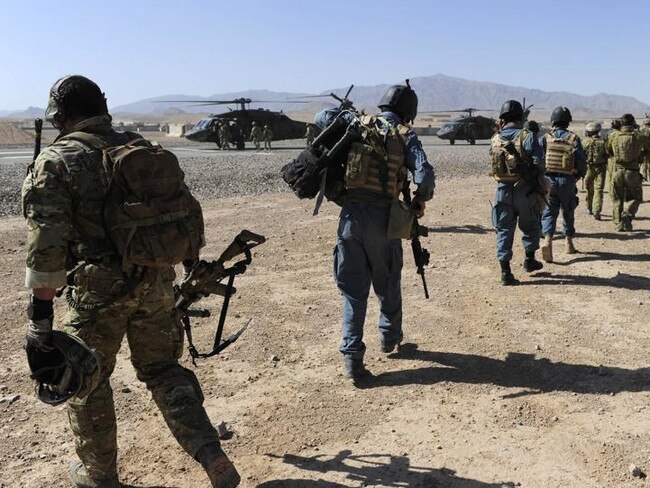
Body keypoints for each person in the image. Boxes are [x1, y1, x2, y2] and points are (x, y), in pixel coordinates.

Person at [21, 75, 240, 488]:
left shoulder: (57, 160)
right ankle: (211, 454)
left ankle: (98, 477)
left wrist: (42, 320)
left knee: (87, 380)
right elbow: (185, 215)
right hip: (155, 282)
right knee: (163, 370)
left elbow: (45, 250)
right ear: (102, 107)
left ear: (59, 116)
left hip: (95, 291)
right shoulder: (141, 149)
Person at [314, 81, 435, 381]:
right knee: (388, 281)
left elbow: (321, 118)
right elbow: (425, 174)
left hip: (350, 219)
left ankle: (352, 359)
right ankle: (389, 338)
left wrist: (345, 113)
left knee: (353, 292)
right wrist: (419, 200)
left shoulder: (357, 124)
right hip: (385, 221)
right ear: (409, 112)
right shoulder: (406, 136)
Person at [489, 100, 545, 286]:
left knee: (504, 229)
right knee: (531, 225)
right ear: (521, 117)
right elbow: (539, 164)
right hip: (525, 191)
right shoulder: (527, 136)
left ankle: (505, 272)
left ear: (502, 118)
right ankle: (529, 260)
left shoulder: (495, 138)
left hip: (503, 191)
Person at [539, 107, 586, 262]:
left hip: (549, 180)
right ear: (568, 122)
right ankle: (569, 243)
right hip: (567, 180)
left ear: (553, 121)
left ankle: (547, 241)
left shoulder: (545, 138)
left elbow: (538, 160)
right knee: (568, 211)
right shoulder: (574, 138)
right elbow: (581, 163)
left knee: (549, 212)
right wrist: (575, 177)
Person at [606, 113, 650, 231]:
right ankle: (627, 214)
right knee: (635, 198)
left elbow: (609, 151)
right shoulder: (640, 136)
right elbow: (648, 148)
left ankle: (617, 224)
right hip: (633, 172)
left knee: (617, 199)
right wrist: (641, 155)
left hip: (618, 171)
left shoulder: (613, 136)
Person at [582, 122, 608, 220]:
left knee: (589, 189)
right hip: (601, 168)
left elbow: (580, 155)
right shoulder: (604, 142)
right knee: (599, 190)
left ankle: (589, 208)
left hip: (588, 168)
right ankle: (597, 210)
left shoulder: (585, 142)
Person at [641, 117, 650, 183]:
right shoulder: (643, 130)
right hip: (647, 149)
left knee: (644, 163)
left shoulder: (642, 129)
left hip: (644, 149)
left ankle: (645, 176)